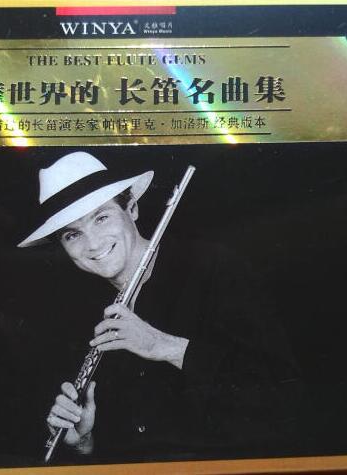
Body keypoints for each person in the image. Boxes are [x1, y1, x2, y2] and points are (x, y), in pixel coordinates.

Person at [18, 151, 301, 463]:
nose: (93, 244)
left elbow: (283, 398)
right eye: (73, 235)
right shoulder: (81, 315)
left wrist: (163, 346)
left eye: (101, 218)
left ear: (132, 209)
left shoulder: (214, 269)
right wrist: (85, 441)